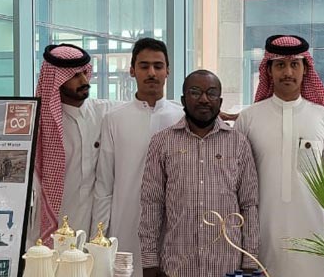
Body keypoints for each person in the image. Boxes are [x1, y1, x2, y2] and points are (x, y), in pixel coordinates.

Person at [235, 35, 324, 276]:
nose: (288, 72)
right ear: (268, 70)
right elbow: (237, 184)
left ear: (306, 69)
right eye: (280, 65)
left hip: (315, 238)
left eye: (294, 64)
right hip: (262, 237)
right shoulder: (249, 118)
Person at [139, 70, 260, 277]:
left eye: (211, 93)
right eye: (195, 92)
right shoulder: (162, 142)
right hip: (177, 267)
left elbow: (249, 205)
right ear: (183, 100)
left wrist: (249, 262)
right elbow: (152, 203)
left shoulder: (239, 143)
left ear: (220, 101)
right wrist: (149, 261)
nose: (204, 99)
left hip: (227, 267)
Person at [92, 38, 183, 277]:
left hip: (174, 229)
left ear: (168, 71)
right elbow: (104, 184)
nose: (151, 72)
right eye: (144, 66)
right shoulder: (114, 119)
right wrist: (99, 237)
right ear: (132, 70)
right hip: (125, 226)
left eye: (158, 66)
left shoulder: (182, 118)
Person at [29, 43, 117, 244]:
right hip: (48, 227)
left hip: (93, 228)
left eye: (85, 73)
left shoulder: (105, 112)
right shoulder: (39, 122)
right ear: (56, 80)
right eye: (75, 75)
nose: (84, 80)